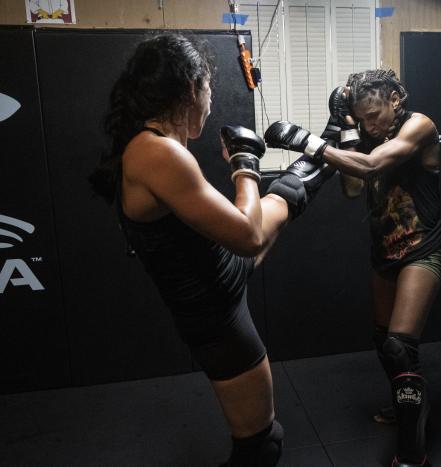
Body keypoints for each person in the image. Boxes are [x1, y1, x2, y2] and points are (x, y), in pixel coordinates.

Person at [89, 34, 329, 467]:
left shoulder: (150, 146)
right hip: (215, 313)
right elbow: (249, 235)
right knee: (260, 446)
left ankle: (329, 144)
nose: (211, 102)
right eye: (209, 90)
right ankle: (327, 151)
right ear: (189, 89)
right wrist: (244, 164)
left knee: (287, 194)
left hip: (218, 277)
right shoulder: (159, 154)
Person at [264, 69, 441, 467]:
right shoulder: (365, 134)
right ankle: (408, 403)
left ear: (396, 99)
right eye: (362, 118)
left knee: (401, 347)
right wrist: (347, 132)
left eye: (375, 115)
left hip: (421, 250)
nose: (370, 124)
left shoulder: (419, 126)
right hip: (383, 253)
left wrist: (305, 140)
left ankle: (412, 453)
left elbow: (370, 167)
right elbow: (352, 189)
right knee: (384, 342)